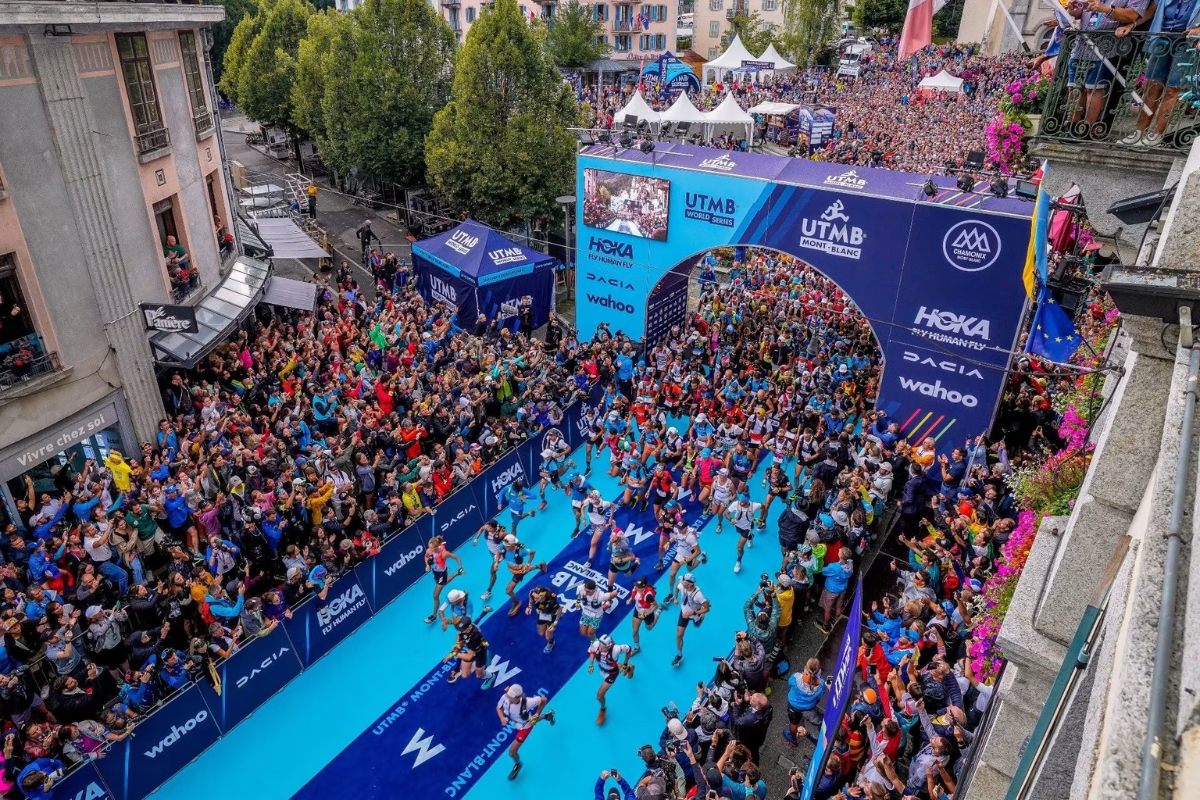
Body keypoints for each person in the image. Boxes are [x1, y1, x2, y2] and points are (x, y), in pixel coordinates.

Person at [495, 683, 555, 780]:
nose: (508, 698)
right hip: (518, 722)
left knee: (512, 752)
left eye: (511, 697)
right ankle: (548, 715)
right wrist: (502, 718)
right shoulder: (505, 697)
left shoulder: (528, 702)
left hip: (525, 727)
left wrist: (537, 714)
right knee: (531, 718)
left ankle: (518, 764)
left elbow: (544, 700)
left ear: (518, 697)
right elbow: (498, 708)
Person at [587, 633, 634, 725]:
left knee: (599, 696)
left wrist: (625, 663)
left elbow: (628, 649)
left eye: (602, 647)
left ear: (608, 647)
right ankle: (629, 669)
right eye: (599, 646)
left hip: (611, 674)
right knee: (616, 666)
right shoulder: (596, 644)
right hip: (603, 669)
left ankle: (603, 709)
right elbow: (592, 651)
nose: (600, 649)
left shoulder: (616, 649)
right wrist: (591, 664)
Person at [501, 535, 547, 617]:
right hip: (515, 569)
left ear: (513, 544)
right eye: (505, 545)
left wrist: (528, 563)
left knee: (508, 590)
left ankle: (517, 602)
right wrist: (496, 562)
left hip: (518, 572)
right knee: (527, 569)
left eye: (508, 546)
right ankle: (540, 565)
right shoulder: (504, 546)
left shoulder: (520, 551)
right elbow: (498, 553)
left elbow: (532, 552)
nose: (505, 546)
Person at [785, 658, 827, 746]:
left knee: (793, 723)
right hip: (809, 707)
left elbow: (789, 683)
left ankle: (793, 740)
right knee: (814, 716)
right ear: (819, 670)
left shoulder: (796, 677)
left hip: (794, 705)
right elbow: (822, 694)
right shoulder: (821, 684)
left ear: (806, 668)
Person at [424, 535, 465, 625]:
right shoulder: (429, 550)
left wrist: (460, 567)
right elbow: (426, 557)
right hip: (435, 572)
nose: (429, 549)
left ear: (436, 547)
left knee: (435, 596)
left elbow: (456, 557)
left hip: (442, 574)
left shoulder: (444, 554)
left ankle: (434, 615)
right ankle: (456, 573)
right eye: (429, 547)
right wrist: (427, 565)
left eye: (431, 548)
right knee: (444, 582)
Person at [671, 573, 709, 667]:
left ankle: (701, 616)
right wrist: (675, 597)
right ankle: (679, 655)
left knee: (697, 625)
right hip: (684, 613)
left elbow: (707, 608)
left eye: (684, 583)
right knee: (679, 635)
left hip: (694, 613)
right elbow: (677, 585)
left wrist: (695, 613)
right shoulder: (683, 586)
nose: (682, 584)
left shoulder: (698, 595)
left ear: (690, 584)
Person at [445, 616, 491, 688]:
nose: (462, 631)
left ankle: (490, 676)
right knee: (464, 675)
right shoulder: (463, 627)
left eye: (464, 630)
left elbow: (469, 657)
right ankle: (475, 664)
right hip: (469, 650)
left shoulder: (476, 636)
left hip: (479, 653)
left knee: (479, 675)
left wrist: (453, 654)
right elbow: (459, 634)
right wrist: (457, 643)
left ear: (469, 627)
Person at [472, 519, 508, 601]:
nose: (488, 528)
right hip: (491, 551)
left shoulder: (500, 534)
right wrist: (476, 538)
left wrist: (507, 547)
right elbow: (481, 528)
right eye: (488, 526)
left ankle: (488, 591)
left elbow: (510, 537)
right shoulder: (488, 528)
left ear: (495, 528)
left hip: (498, 554)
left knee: (492, 572)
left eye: (490, 528)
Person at [727, 493, 763, 574]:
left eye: (742, 502)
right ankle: (750, 537)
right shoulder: (735, 504)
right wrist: (731, 519)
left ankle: (739, 560)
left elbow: (763, 507)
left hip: (747, 528)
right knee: (746, 537)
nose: (740, 503)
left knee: (739, 547)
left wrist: (761, 519)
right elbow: (727, 513)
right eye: (740, 500)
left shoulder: (754, 505)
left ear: (747, 502)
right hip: (738, 526)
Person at [627, 575, 659, 655]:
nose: (637, 588)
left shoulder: (648, 596)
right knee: (634, 631)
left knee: (649, 628)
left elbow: (655, 605)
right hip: (637, 610)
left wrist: (646, 614)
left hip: (647, 612)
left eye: (640, 588)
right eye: (637, 586)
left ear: (644, 587)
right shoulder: (636, 587)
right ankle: (637, 647)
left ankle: (659, 612)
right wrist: (630, 599)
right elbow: (634, 593)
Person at [525, 585, 563, 653]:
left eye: (537, 598)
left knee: (548, 636)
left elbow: (560, 610)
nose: (535, 600)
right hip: (542, 614)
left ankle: (551, 642)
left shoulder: (551, 601)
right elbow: (530, 597)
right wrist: (529, 606)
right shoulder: (532, 593)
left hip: (551, 615)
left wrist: (555, 623)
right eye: (534, 597)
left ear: (542, 596)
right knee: (541, 633)